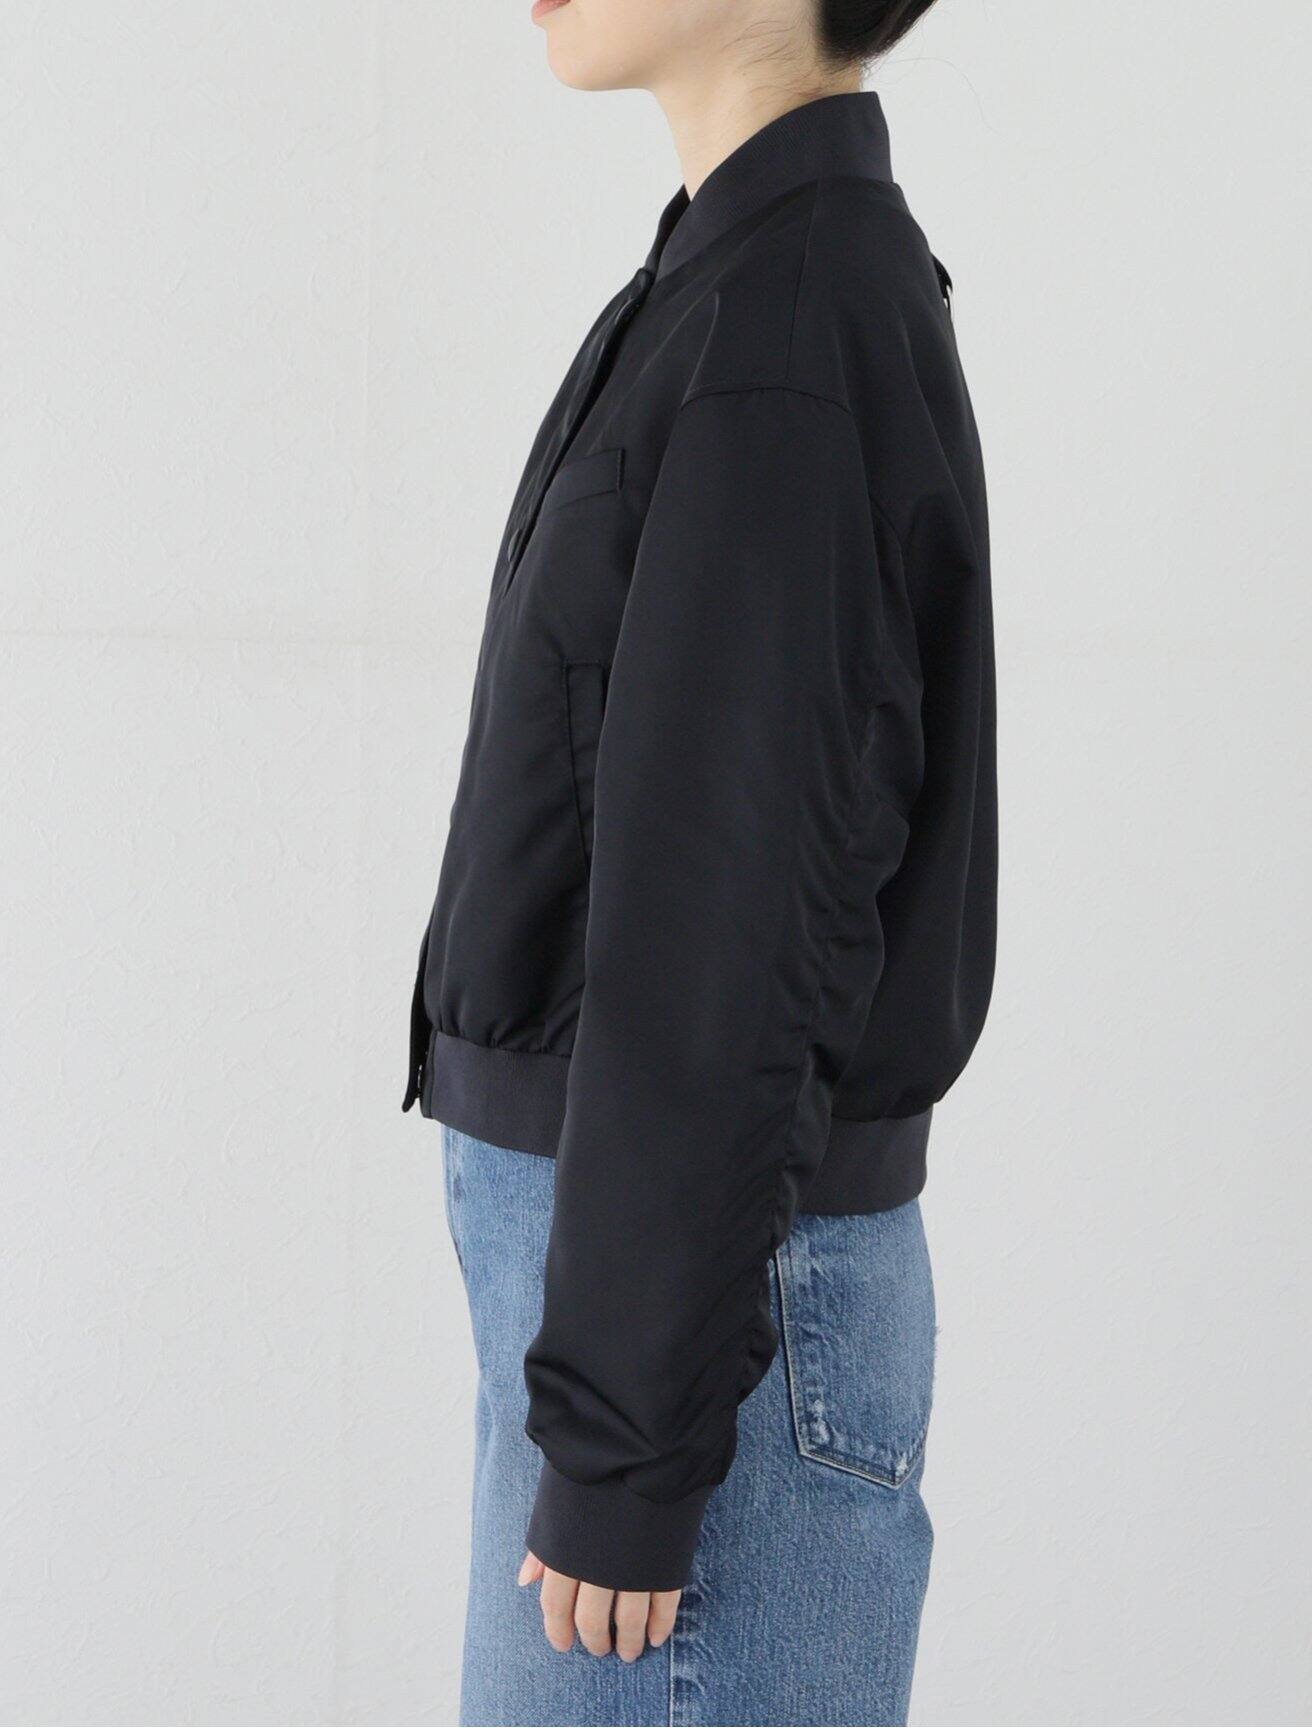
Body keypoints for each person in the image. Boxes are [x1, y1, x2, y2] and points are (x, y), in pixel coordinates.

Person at [404, 1, 995, 1721]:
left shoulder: (788, 325)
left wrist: (629, 1445)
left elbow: (732, 929)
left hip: (704, 1329)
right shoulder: (741, 285)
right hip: (663, 1303)